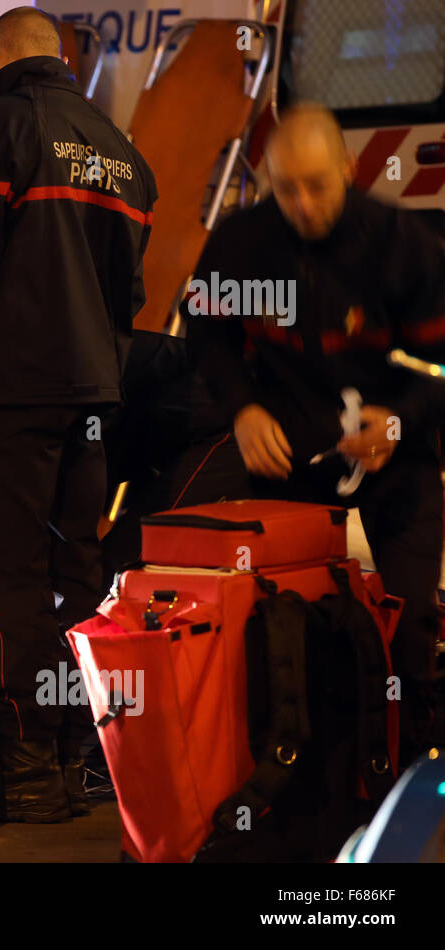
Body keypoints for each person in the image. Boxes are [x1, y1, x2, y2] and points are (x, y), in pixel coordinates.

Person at [0, 6, 157, 823]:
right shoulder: (122, 154)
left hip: (14, 396)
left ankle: (28, 764)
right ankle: (84, 752)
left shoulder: (2, 127)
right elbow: (131, 296)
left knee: (0, 572)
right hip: (95, 401)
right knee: (75, 571)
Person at [187, 103, 445, 765]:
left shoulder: (404, 247)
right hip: (289, 464)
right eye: (285, 188)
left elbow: (441, 366)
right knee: (290, 629)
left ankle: (411, 771)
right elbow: (208, 338)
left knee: (408, 622)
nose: (301, 203)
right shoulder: (243, 245)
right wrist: (241, 408)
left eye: (316, 185)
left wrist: (399, 418)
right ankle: (307, 775)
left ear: (349, 170)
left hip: (399, 461)